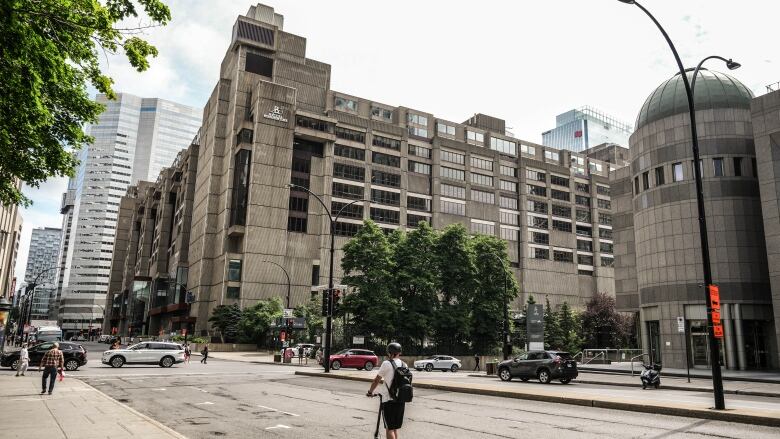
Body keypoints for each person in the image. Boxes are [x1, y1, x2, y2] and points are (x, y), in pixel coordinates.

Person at [367, 342, 407, 439]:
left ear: (389, 352)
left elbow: (377, 380)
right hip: (400, 400)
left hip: (389, 401)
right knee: (394, 428)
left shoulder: (386, 363)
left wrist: (370, 392)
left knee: (389, 428)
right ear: (399, 352)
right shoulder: (404, 364)